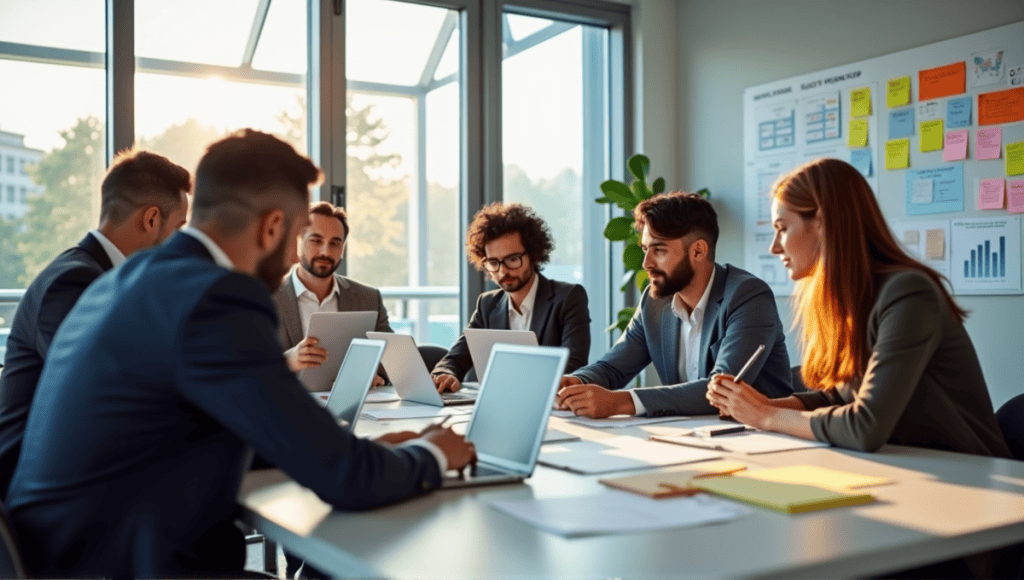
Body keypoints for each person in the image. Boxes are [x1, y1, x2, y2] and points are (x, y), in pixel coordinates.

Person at [5, 130, 475, 578]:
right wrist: (432, 454)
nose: (296, 258)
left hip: (64, 555)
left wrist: (359, 450)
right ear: (273, 227)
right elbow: (344, 479)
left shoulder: (132, 278)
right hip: (130, 565)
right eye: (297, 234)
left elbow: (230, 428)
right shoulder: (218, 296)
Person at [707, 157, 1011, 458]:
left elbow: (865, 426)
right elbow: (838, 397)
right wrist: (756, 405)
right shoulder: (849, 300)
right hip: (909, 466)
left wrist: (765, 416)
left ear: (822, 223)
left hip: (973, 474)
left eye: (782, 228)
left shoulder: (908, 294)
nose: (775, 247)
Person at [0, 148, 190, 500]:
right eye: (179, 228)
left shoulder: (104, 277)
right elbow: (115, 398)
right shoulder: (72, 284)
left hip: (80, 473)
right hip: (43, 495)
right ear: (151, 219)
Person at [556, 191, 793, 418]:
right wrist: (576, 381)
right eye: (645, 249)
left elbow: (721, 390)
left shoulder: (748, 296)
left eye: (658, 250)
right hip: (687, 439)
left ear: (698, 250)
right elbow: (613, 368)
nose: (646, 263)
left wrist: (621, 402)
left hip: (757, 438)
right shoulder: (655, 302)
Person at [431, 202, 591, 393]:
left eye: (513, 259)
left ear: (533, 255)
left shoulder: (568, 297)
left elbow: (575, 364)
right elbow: (456, 357)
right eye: (493, 262)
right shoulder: (487, 304)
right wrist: (445, 373)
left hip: (552, 406)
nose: (503, 270)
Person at [273, 201, 392, 385]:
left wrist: (373, 374)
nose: (325, 251)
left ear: (342, 248)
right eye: (316, 240)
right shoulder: (267, 297)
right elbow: (242, 367)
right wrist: (287, 361)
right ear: (297, 241)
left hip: (352, 407)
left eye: (335, 243)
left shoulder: (368, 298)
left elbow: (390, 360)